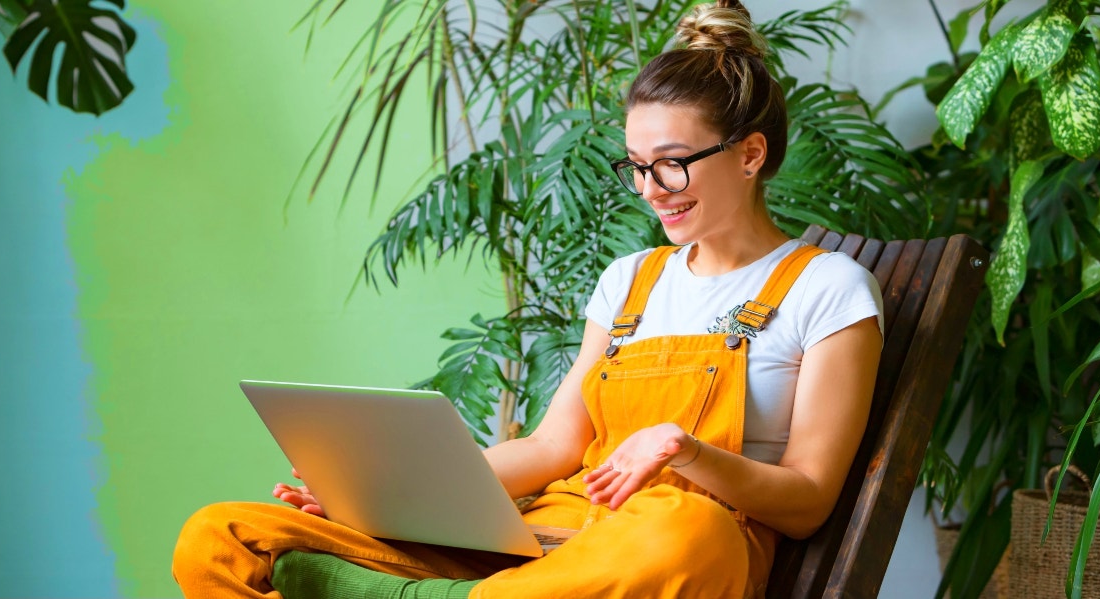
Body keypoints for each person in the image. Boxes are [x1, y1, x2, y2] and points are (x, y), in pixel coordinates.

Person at [172, 1, 883, 597]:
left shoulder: (827, 289)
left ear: (751, 153)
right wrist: (382, 494)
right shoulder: (630, 279)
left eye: (670, 163)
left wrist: (688, 453)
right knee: (220, 537)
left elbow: (809, 498)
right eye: (635, 166)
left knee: (686, 528)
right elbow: (552, 445)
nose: (649, 189)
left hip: (664, 546)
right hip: (547, 547)